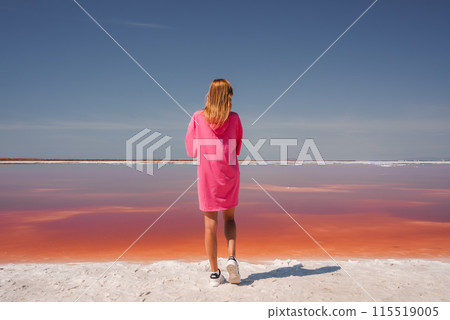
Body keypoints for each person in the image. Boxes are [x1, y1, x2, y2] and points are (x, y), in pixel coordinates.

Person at [185, 79, 243, 287]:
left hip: (208, 177)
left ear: (209, 94)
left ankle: (214, 273)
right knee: (230, 219)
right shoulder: (234, 118)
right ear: (228, 96)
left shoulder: (197, 117)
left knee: (210, 225)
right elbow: (236, 148)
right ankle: (231, 259)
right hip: (229, 175)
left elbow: (191, 151)